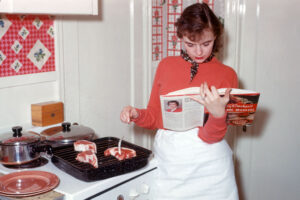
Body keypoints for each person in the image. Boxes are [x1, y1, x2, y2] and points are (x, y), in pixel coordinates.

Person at [120, 3, 238, 200]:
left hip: (212, 167)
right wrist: (136, 114)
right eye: (190, 44)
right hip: (171, 163)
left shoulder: (228, 75)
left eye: (206, 43)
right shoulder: (166, 66)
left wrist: (218, 114)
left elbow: (212, 137)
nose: (198, 52)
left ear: (215, 37)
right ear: (181, 37)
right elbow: (156, 117)